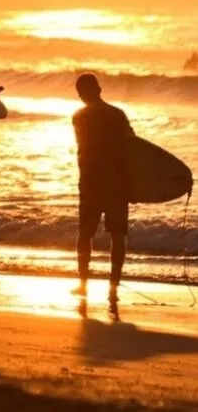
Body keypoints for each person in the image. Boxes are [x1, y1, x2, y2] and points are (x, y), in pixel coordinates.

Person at [71, 73, 134, 319]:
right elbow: (132, 146)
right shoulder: (117, 114)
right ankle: (113, 287)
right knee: (116, 234)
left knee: (85, 233)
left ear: (81, 94)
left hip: (90, 183)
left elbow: (84, 150)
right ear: (99, 88)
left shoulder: (78, 117)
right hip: (116, 183)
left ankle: (83, 283)